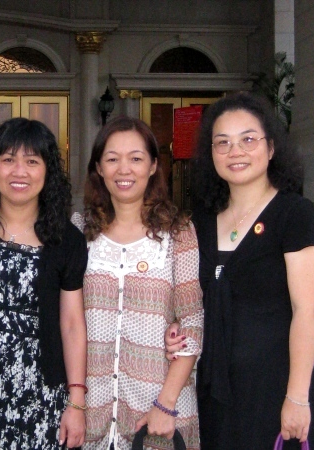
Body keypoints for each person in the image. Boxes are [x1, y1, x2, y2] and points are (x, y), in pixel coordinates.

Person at [166, 92, 314, 449]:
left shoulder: (295, 215)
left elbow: (307, 312)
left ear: (271, 148)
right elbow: (197, 300)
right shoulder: (202, 221)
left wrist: (297, 397)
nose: (235, 152)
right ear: (211, 154)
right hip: (217, 389)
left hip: (276, 387)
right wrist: (176, 329)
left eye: (248, 140)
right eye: (222, 143)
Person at [0, 118, 87, 449]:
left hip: (40, 390)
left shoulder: (66, 239)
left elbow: (72, 323)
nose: (19, 172)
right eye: (8, 159)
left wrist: (76, 401)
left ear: (47, 171)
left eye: (32, 161)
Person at [73, 116, 204, 450]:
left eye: (135, 158)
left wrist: (166, 403)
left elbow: (192, 321)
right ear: (99, 168)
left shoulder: (178, 232)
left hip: (158, 413)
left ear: (153, 165)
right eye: (112, 159)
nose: (124, 169)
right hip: (91, 413)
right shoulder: (78, 230)